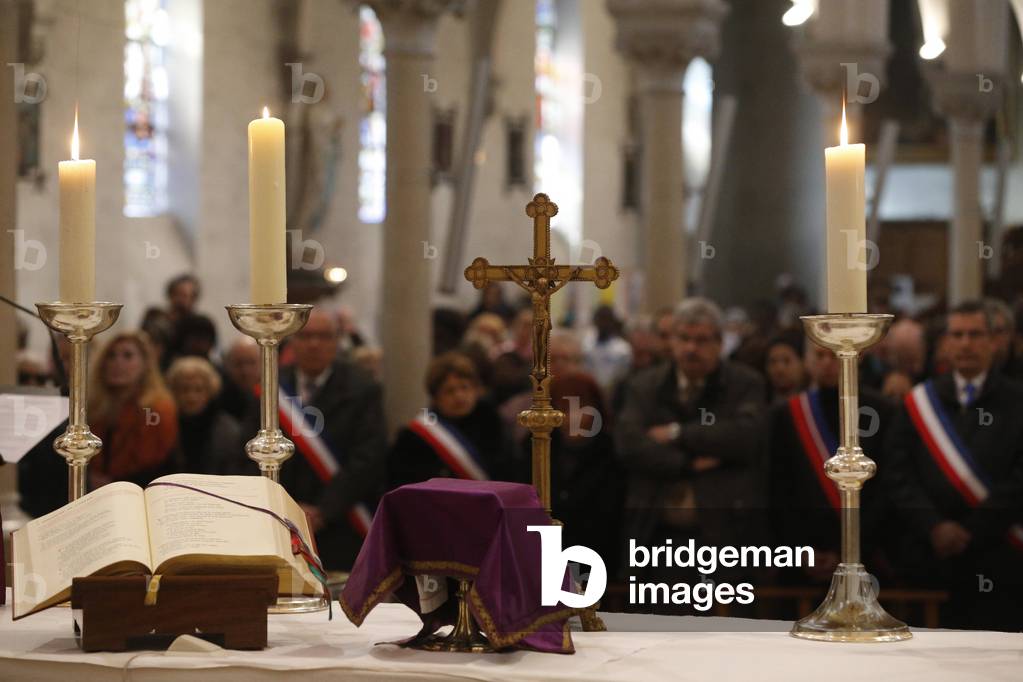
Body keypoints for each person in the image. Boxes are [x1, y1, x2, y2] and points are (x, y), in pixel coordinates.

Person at [883, 301, 1023, 630]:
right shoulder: (920, 401)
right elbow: (897, 472)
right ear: (945, 343)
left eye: (975, 334)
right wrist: (933, 525)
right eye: (957, 334)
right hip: (930, 555)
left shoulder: (1017, 401)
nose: (965, 343)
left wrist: (973, 528)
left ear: (994, 342)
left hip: (999, 554)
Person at [615, 298, 767, 586]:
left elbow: (744, 436)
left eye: (701, 340)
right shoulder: (645, 385)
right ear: (671, 341)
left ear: (720, 343)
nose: (691, 348)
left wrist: (677, 434)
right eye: (683, 338)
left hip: (724, 530)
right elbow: (629, 443)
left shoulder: (745, 383)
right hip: (656, 529)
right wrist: (686, 463)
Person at [768, 342, 894, 585]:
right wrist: (802, 550)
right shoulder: (788, 414)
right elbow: (781, 489)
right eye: (819, 356)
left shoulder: (881, 410)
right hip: (804, 555)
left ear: (855, 358)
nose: (827, 363)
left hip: (868, 551)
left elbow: (885, 487)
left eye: (834, 356)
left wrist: (847, 551)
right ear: (808, 361)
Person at [275, 308, 387, 570]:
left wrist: (323, 511)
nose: (314, 344)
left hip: (341, 522)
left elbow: (368, 457)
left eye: (324, 336)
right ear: (292, 341)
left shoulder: (362, 388)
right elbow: (251, 449)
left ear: (337, 341)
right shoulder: (272, 384)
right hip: (280, 519)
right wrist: (286, 507)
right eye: (305, 336)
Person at [387, 352, 517, 489]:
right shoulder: (416, 437)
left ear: (475, 390)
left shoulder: (492, 425)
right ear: (435, 398)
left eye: (464, 387)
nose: (459, 396)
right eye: (449, 391)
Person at [89, 331, 178, 487]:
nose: (118, 363)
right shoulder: (96, 406)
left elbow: (154, 465)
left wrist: (112, 483)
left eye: (128, 356)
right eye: (111, 356)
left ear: (145, 364)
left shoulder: (157, 409)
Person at [166, 356, 243, 474]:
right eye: (184, 389)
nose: (191, 397)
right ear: (174, 391)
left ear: (210, 391)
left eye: (199, 389)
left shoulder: (228, 431)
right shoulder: (164, 426)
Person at [219, 336, 260, 421]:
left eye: (251, 362)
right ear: (227, 366)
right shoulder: (219, 401)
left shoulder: (278, 398)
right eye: (238, 364)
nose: (245, 371)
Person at [763, 332, 806, 403]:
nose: (780, 369)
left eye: (787, 361)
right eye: (773, 361)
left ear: (802, 363)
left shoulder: (813, 405)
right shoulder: (760, 403)